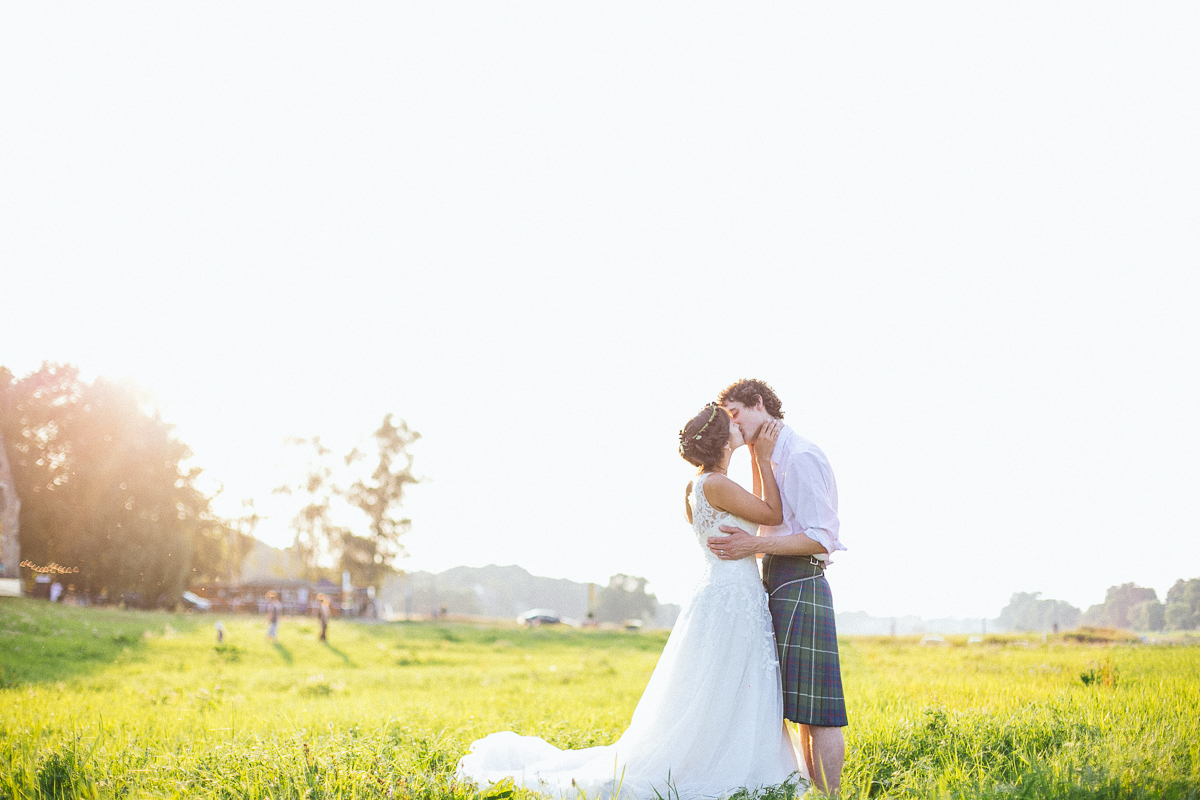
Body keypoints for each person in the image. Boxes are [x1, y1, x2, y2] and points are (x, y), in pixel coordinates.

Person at [457, 404, 802, 799]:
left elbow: (752, 518)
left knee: (724, 684)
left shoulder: (698, 486)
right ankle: (720, 763)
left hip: (723, 594)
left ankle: (722, 755)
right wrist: (763, 458)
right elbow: (771, 512)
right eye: (733, 424)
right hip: (731, 596)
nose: (740, 426)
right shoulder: (717, 485)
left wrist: (753, 461)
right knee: (728, 682)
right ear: (724, 440)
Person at [708, 379, 848, 796]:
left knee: (818, 710)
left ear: (758, 404)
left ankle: (830, 796)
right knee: (795, 708)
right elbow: (768, 514)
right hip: (777, 578)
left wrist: (753, 545)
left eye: (734, 413)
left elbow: (821, 537)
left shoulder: (801, 456)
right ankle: (813, 792)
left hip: (801, 578)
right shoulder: (769, 454)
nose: (731, 425)